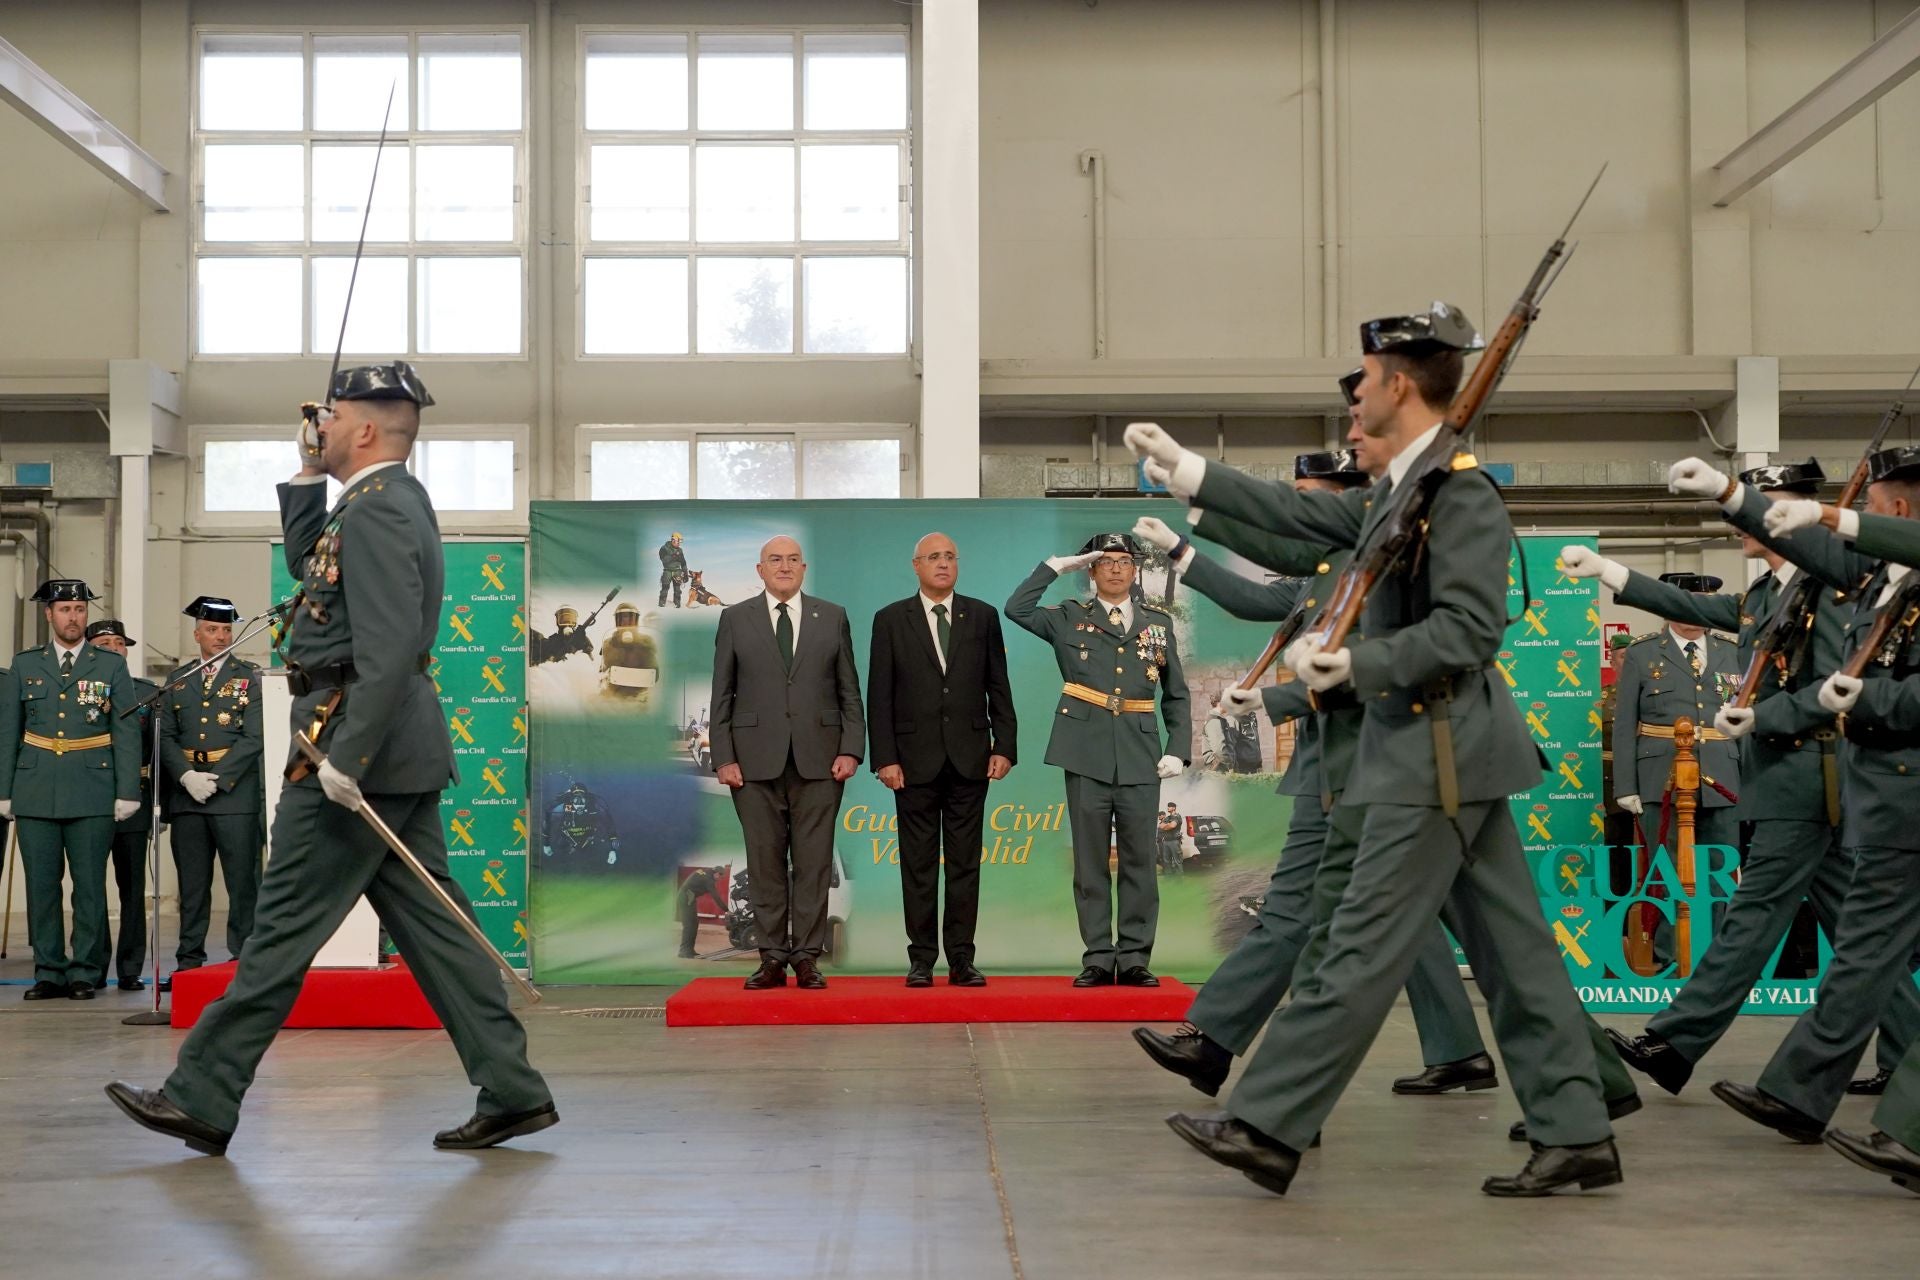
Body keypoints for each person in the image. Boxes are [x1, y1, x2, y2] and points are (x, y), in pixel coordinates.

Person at [1130, 302, 1620, 1197]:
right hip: (1421, 755)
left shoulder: (1458, 492)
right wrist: (1192, 473)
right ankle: (1580, 1126)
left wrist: (1356, 661)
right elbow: (1298, 519)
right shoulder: (1404, 490)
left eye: (1363, 380)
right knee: (1515, 955)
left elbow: (1471, 631)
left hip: (1430, 757)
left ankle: (1268, 1125)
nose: (1353, 394)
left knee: (1351, 947)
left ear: (1399, 383)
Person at [106, 360, 554, 1157]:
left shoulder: (379, 511)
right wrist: (308, 475)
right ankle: (513, 1090)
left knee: (278, 929)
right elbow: (314, 571)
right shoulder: (374, 501)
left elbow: (384, 651)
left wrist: (349, 758)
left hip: (355, 746)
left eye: (332, 415)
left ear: (368, 428)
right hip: (382, 744)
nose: (320, 423)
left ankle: (201, 1096)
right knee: (437, 933)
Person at [1128, 443, 1500, 1105]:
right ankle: (1465, 1052)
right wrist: (1185, 553)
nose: (1299, 508)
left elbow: (1369, 667)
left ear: (1348, 498)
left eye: (1310, 498)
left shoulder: (1375, 566)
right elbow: (1256, 599)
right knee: (1404, 914)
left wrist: (1275, 700)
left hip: (1375, 762)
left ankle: (1230, 1053)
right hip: (1350, 761)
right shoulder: (1329, 565)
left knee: (1316, 911)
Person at [1563, 459, 1919, 1099]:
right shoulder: (1770, 594)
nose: (1746, 520)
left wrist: (1763, 714)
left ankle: (1676, 1042)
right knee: (1860, 932)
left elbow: (1837, 686)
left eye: (1762, 504)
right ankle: (1904, 1054)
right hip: (1792, 776)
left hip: (1811, 774)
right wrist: (1614, 574)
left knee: (1756, 913)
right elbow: (1697, 606)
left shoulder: (1833, 588)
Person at [1662, 448, 1920, 1150]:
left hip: (1873, 790)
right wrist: (1728, 493)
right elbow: (1810, 551)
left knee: (1863, 948)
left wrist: (1868, 695)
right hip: (1890, 803)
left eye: (1875, 507)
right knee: (1867, 952)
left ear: (1894, 509)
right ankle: (1804, 1098)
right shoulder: (1881, 579)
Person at [1005, 532, 1190, 988]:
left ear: (1135, 570)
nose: (1115, 568)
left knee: (1139, 863)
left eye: (1123, 561)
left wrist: (1178, 750)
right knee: (1090, 863)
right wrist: (1055, 566)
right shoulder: (1070, 617)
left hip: (1140, 752)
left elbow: (1177, 695)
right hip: (1084, 750)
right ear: (1091, 569)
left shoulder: (1157, 625)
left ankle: (1134, 958)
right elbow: (1017, 608)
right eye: (1105, 561)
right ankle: (1098, 957)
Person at [709, 535, 865, 991]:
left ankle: (807, 959)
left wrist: (851, 748)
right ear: (760, 569)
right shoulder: (735, 619)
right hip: (753, 764)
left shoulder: (831, 616)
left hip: (821, 762)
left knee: (814, 864)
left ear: (804, 568)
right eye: (774, 560)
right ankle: (773, 956)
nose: (784, 566)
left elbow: (848, 692)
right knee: (765, 864)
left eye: (792, 560)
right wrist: (723, 757)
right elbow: (722, 694)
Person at [867, 532, 1016, 987]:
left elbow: (998, 686)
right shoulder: (891, 619)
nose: (944, 564)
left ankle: (962, 960)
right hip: (911, 763)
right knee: (917, 864)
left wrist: (1005, 745)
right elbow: (880, 695)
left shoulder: (983, 616)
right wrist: (885, 758)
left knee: (966, 864)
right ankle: (920, 960)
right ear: (916, 565)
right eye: (934, 557)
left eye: (950, 556)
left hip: (972, 759)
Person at [0, 580, 142, 1001]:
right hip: (35, 785)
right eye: (64, 609)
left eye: (79, 609)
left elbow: (125, 731)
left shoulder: (109, 665)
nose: (73, 617)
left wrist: (127, 789)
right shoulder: (25, 665)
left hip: (93, 786)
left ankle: (84, 970)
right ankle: (49, 971)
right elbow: (9, 732)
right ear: (49, 615)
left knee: (89, 885)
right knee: (42, 885)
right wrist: (4, 790)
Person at [157, 596, 264, 990]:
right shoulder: (177, 679)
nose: (221, 637)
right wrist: (186, 776)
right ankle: (189, 962)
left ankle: (245, 959)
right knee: (192, 885)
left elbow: (254, 738)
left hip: (233, 794)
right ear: (197, 632)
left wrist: (217, 778)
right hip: (188, 795)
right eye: (213, 630)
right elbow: (165, 735)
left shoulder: (248, 677)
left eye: (226, 630)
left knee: (242, 882)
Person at [1609, 575, 1742, 858]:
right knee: (1664, 870)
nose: (1691, 616)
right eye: (1682, 606)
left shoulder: (1732, 652)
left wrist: (1753, 784)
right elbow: (1624, 725)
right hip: (1660, 780)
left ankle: (1717, 907)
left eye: (1700, 606)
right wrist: (1626, 786)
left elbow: (1745, 722)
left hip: (1723, 777)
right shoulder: (1641, 653)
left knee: (1721, 870)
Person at [84, 619, 157, 991]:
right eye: (105, 642)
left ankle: (130, 967)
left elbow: (157, 754)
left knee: (132, 888)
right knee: (88, 885)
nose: (114, 648)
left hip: (135, 800)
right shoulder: (78, 691)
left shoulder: (146, 693)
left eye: (119, 643)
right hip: (89, 799)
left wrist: (159, 805)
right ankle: (92, 965)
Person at [676, 865, 725, 959]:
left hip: (689, 897)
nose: (719, 879)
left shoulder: (706, 873)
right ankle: (683, 951)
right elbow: (716, 897)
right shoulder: (708, 879)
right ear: (717, 873)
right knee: (689, 925)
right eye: (720, 876)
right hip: (685, 898)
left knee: (694, 923)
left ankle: (689, 950)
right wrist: (727, 910)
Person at [659, 533, 689, 609]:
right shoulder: (664, 548)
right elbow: (664, 560)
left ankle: (677, 605)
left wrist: (685, 573)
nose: (679, 543)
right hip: (667, 571)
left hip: (677, 571)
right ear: (673, 540)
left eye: (680, 542)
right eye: (678, 541)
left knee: (677, 590)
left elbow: (683, 562)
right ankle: (661, 605)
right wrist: (673, 556)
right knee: (664, 589)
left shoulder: (680, 550)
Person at [1157, 802, 1184, 876]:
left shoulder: (1177, 816)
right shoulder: (1167, 818)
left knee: (1177, 861)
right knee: (1166, 861)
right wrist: (1168, 825)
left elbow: (1172, 825)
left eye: (1170, 806)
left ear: (1174, 808)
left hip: (1174, 841)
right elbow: (1160, 826)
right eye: (1168, 806)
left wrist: (1167, 826)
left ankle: (1179, 880)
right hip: (1166, 842)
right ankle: (1169, 879)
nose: (1168, 807)